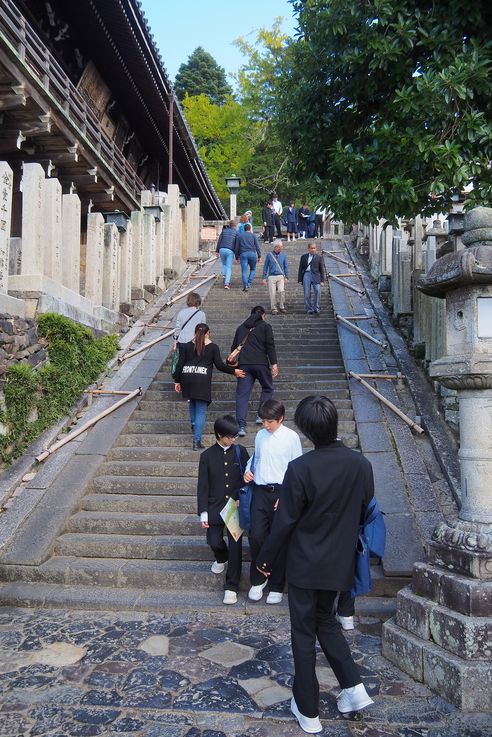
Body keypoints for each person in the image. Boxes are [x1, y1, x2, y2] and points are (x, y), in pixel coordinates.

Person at [256, 395, 375, 733]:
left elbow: (285, 521)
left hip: (306, 563)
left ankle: (307, 709)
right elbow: (366, 508)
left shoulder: (301, 468)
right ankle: (353, 688)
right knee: (327, 621)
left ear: (306, 430)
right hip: (340, 562)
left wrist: (264, 560)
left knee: (303, 633)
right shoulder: (361, 464)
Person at [244, 399, 302, 605]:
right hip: (260, 490)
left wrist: (286, 495)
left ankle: (277, 585)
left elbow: (297, 469)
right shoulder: (260, 435)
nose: (266, 425)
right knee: (257, 535)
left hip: (281, 492)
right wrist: (247, 470)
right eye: (263, 421)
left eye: (270, 421)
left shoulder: (292, 438)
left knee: (279, 539)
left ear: (281, 419)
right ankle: (259, 579)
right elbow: (256, 457)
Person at [197, 415, 250, 605]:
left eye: (235, 436)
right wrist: (203, 511)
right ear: (220, 434)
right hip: (214, 506)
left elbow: (247, 477)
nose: (233, 439)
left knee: (236, 548)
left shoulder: (241, 451)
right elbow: (202, 485)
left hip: (234, 506)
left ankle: (231, 586)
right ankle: (221, 557)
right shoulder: (207, 456)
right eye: (230, 436)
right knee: (214, 540)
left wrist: (240, 496)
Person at [174, 324, 245, 450]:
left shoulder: (186, 346)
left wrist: (177, 381)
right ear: (208, 333)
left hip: (187, 376)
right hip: (202, 378)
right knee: (201, 410)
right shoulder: (212, 347)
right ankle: (196, 441)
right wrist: (234, 371)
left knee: (192, 402)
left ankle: (194, 424)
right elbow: (219, 365)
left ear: (195, 333)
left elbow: (179, 364)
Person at [230, 305, 279, 436]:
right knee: (267, 388)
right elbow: (270, 345)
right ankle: (260, 416)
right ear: (262, 315)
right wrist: (274, 364)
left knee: (242, 394)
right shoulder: (266, 326)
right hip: (261, 364)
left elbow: (234, 348)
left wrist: (235, 368)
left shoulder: (241, 328)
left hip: (244, 364)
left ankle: (241, 426)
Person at [172, 292, 206, 364]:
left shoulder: (181, 313)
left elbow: (177, 329)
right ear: (198, 301)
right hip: (195, 342)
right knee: (192, 362)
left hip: (182, 341)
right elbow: (203, 330)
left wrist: (175, 341)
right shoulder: (201, 314)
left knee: (182, 362)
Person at [298, 243, 327, 315]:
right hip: (306, 275)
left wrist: (322, 280)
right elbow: (300, 268)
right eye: (312, 248)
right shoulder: (303, 257)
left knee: (317, 291)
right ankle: (309, 309)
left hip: (316, 275)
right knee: (307, 293)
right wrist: (300, 279)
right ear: (309, 249)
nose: (313, 250)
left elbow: (321, 269)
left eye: (314, 248)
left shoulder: (319, 257)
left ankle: (316, 308)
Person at [262, 240, 288, 315]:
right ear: (275, 247)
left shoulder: (283, 255)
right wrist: (264, 277)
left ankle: (281, 305)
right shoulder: (269, 255)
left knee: (281, 291)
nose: (281, 248)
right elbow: (265, 266)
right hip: (271, 276)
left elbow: (285, 266)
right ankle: (274, 308)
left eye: (281, 247)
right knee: (272, 293)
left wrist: (286, 276)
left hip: (280, 276)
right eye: (279, 247)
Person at [235, 223, 262, 292]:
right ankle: (249, 282)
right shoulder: (253, 235)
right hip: (252, 254)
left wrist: (236, 257)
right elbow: (257, 246)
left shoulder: (240, 236)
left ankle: (245, 285)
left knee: (244, 271)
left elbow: (237, 247)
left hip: (243, 254)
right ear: (250, 229)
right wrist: (259, 256)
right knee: (252, 269)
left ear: (244, 229)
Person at [216, 221, 238, 289]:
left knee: (224, 264)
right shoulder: (236, 233)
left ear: (229, 225)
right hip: (230, 250)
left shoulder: (224, 231)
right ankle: (226, 283)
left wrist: (217, 251)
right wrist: (237, 256)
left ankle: (224, 276)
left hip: (222, 249)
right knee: (229, 267)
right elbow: (237, 244)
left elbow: (219, 241)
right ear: (235, 226)